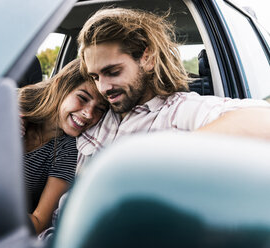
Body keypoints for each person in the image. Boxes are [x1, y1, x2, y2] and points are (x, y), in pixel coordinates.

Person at [75, 7, 270, 173]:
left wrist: (167, 160)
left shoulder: (178, 111)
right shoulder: (91, 112)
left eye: (113, 72)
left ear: (147, 58)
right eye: (95, 77)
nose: (103, 87)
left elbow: (263, 120)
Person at [18, 58, 108, 234]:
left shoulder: (69, 150)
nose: (89, 113)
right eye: (82, 98)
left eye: (100, 109)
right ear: (60, 85)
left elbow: (39, 222)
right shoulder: (10, 104)